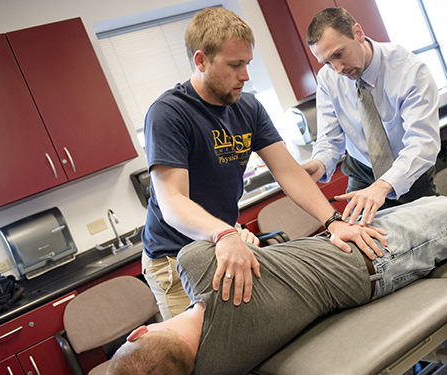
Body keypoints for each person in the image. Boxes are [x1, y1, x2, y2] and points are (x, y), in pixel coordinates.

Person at [108, 132, 447, 375]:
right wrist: (235, 238)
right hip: (370, 258)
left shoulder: (219, 367)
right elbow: (217, 238)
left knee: (433, 207)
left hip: (354, 260)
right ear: (137, 334)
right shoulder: (200, 267)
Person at [141, 7, 384, 319]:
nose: (245, 75)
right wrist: (224, 233)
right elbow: (173, 201)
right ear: (200, 60)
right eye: (235, 65)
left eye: (248, 63)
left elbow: (288, 172)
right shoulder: (169, 113)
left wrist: (333, 222)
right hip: (174, 257)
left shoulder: (248, 106)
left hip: (223, 240)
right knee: (199, 354)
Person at [301, 7, 441, 226]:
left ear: (358, 33)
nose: (337, 69)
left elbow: (423, 143)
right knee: (361, 243)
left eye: (338, 54)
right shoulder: (328, 78)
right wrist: (319, 164)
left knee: (429, 232)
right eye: (327, 62)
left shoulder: (409, 70)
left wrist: (384, 184)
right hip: (362, 171)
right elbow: (330, 139)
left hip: (408, 170)